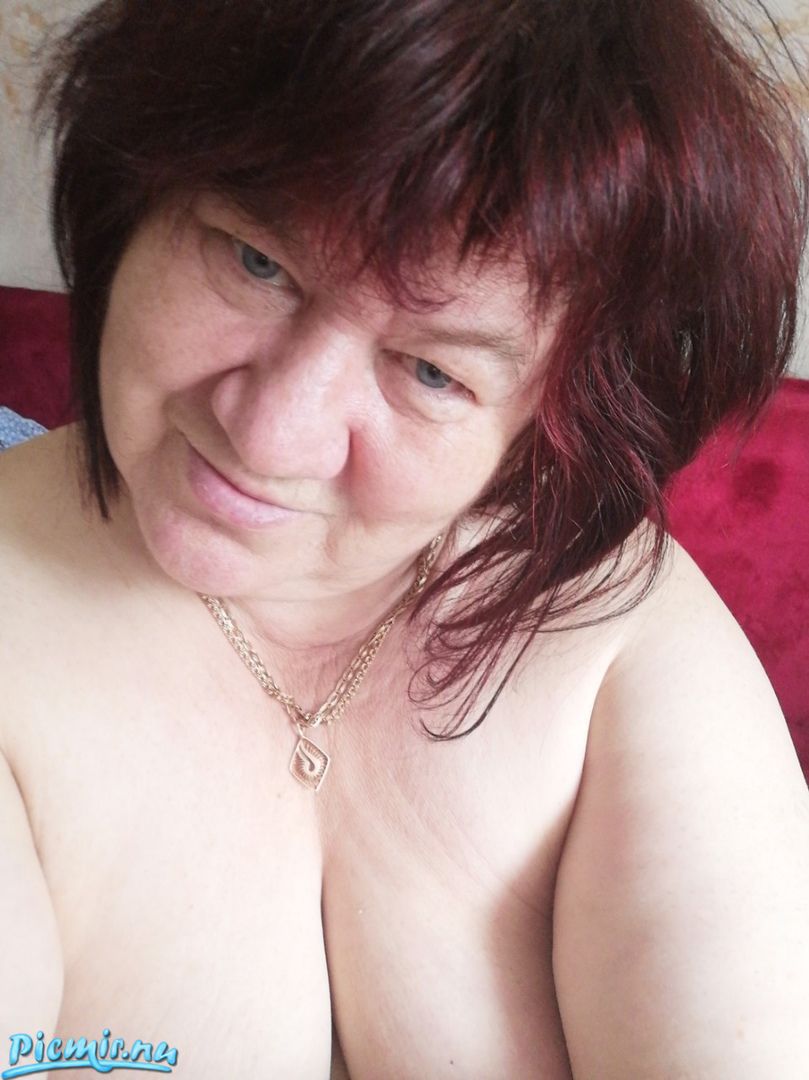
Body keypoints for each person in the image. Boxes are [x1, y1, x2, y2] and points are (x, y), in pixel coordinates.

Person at [1, 0, 808, 1076]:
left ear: (547, 422)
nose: (271, 432)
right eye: (254, 261)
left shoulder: (613, 638)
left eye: (431, 371)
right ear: (134, 193)